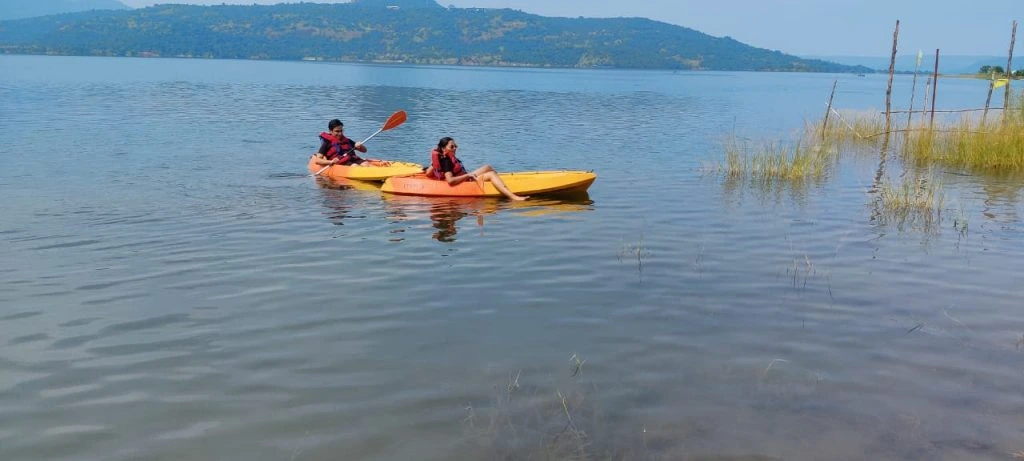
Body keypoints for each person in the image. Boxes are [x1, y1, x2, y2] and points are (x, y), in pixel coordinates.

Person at [425, 137, 528, 201]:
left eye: (455, 146)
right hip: (464, 182)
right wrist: (467, 175)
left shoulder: (444, 157)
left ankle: (499, 183)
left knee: (487, 167)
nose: (455, 148)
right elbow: (450, 181)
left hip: (465, 178)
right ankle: (513, 197)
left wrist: (435, 163)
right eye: (452, 147)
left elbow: (429, 174)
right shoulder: (446, 161)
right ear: (444, 149)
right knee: (491, 174)